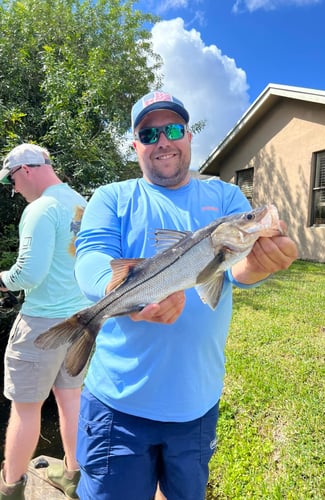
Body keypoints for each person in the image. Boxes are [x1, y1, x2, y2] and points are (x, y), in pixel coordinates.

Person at [73, 91, 298, 500]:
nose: (163, 141)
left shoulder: (226, 198)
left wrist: (262, 264)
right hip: (118, 405)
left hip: (196, 405)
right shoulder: (113, 197)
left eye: (173, 129)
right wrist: (122, 297)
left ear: (189, 135)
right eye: (149, 133)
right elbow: (91, 259)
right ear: (134, 144)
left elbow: (235, 273)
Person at [0, 144, 92, 500]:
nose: (14, 190)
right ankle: (72, 474)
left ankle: (10, 489)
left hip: (41, 325)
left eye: (13, 181)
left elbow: (29, 274)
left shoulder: (40, 209)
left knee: (25, 409)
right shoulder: (80, 203)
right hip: (80, 321)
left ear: (25, 170)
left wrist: (3, 278)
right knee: (71, 399)